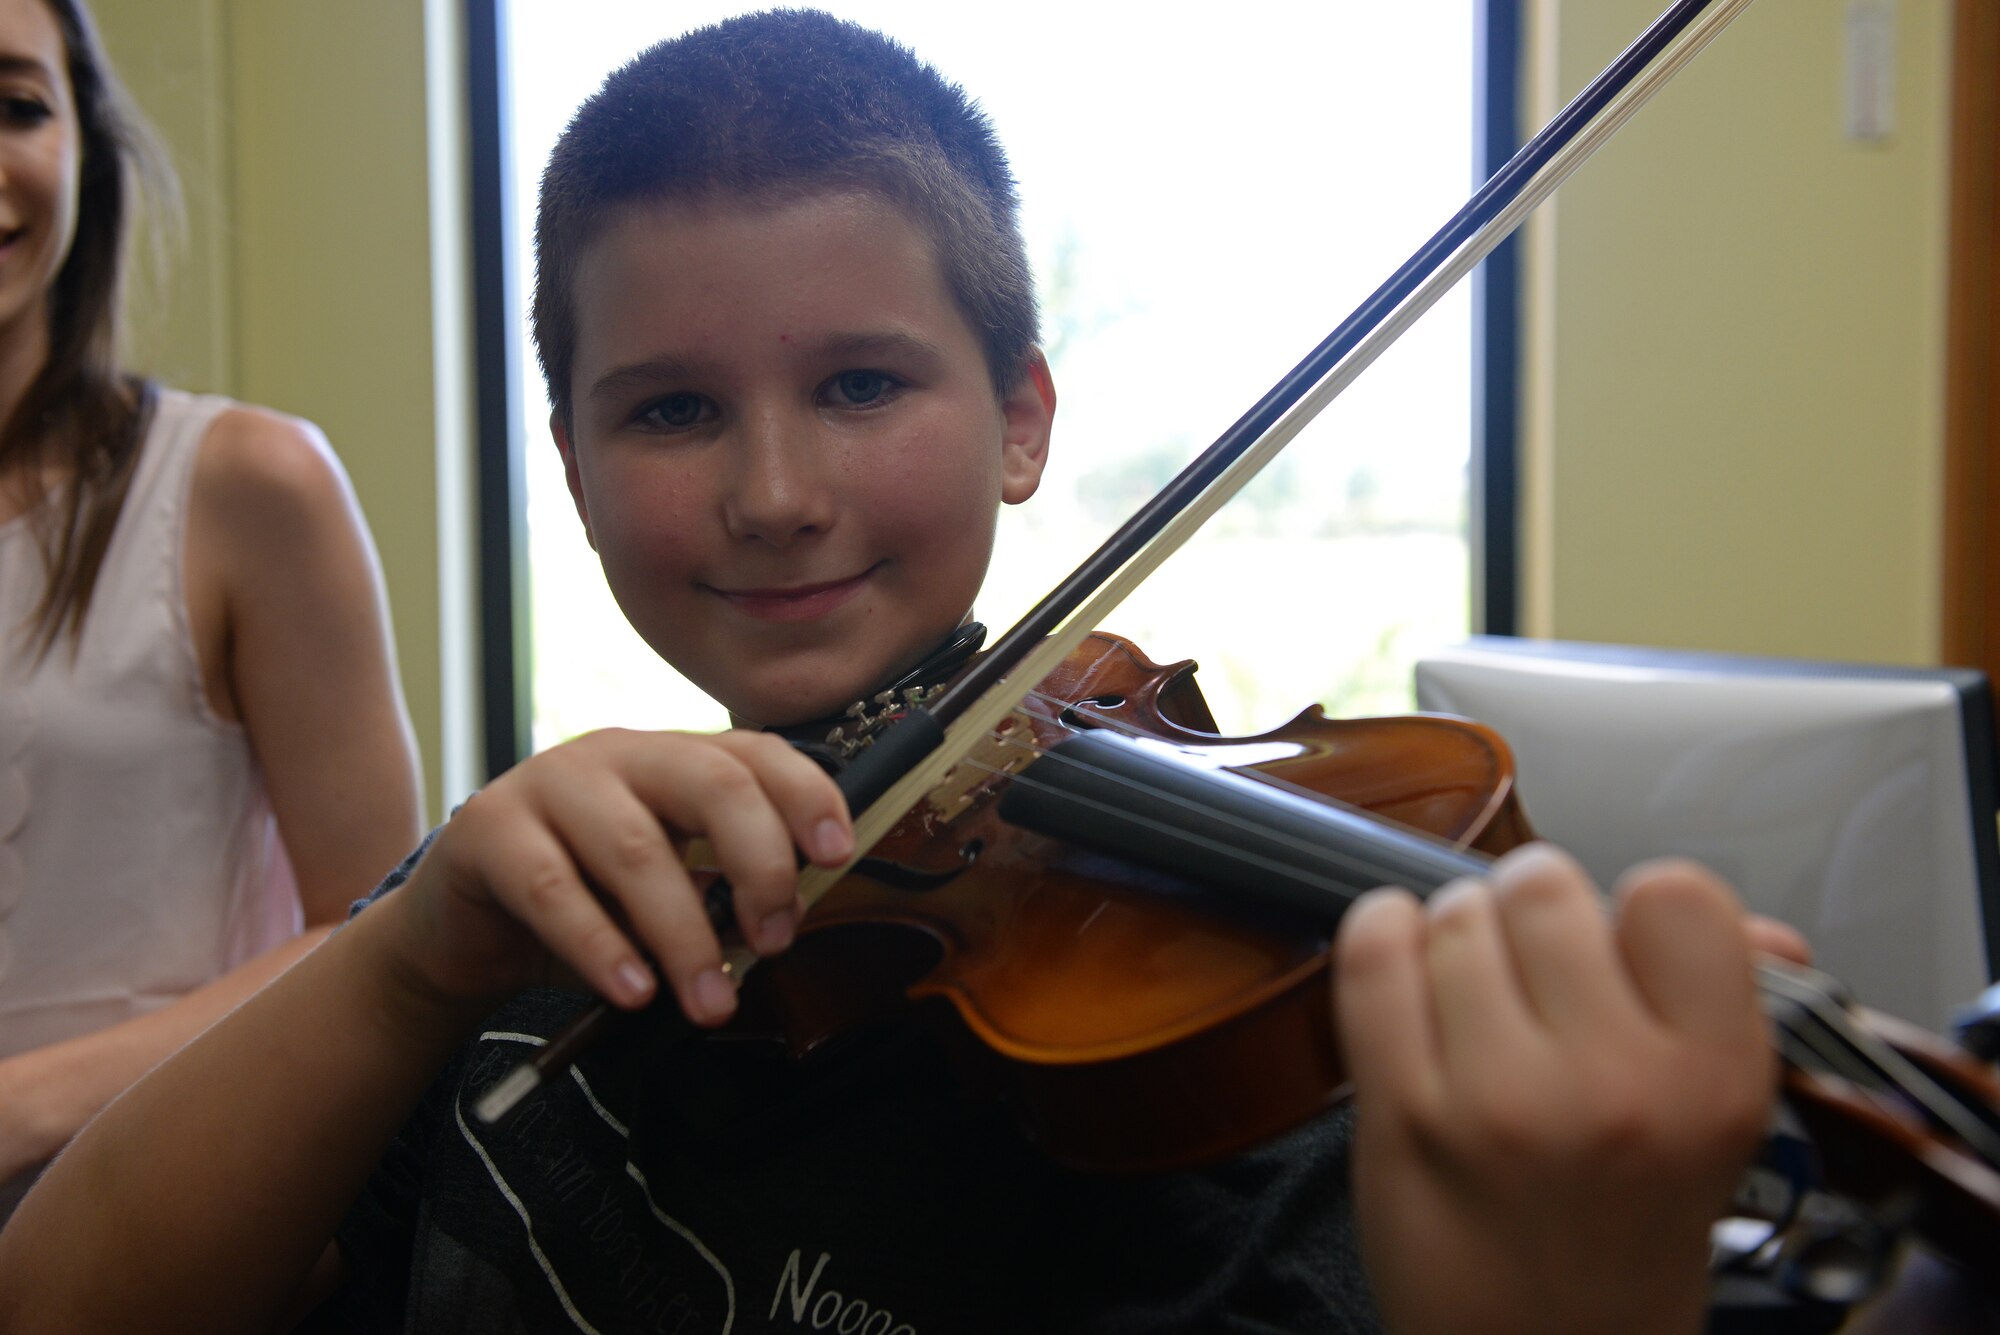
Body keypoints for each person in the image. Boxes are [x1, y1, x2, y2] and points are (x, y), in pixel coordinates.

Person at [0, 12, 1796, 1332]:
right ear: (568, 457)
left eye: (862, 385)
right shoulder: (527, 919)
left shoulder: (1238, 1093)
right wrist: (403, 955)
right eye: (675, 409)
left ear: (1022, 417)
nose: (775, 496)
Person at [0, 0, 423, 1217]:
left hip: (147, 1223)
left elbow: (376, 934)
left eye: (16, 104)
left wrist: (24, 1104)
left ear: (85, 144)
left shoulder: (243, 485)